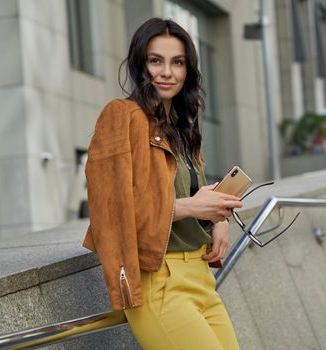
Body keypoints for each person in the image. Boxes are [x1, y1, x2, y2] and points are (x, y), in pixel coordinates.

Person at [82, 18, 242, 350]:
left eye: (177, 62)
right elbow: (109, 212)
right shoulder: (121, 116)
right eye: (156, 60)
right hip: (159, 279)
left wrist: (215, 216)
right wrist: (189, 207)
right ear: (141, 64)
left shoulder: (182, 128)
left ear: (189, 70)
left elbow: (179, 195)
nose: (167, 72)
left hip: (199, 275)